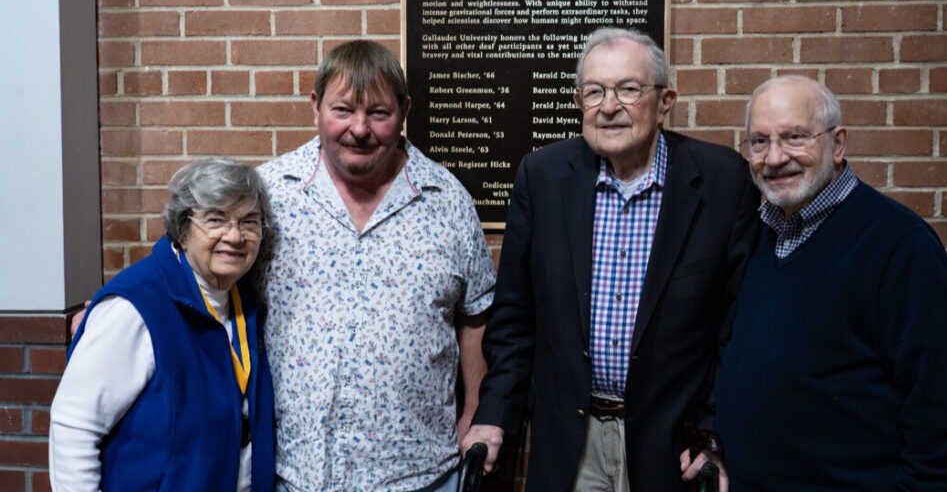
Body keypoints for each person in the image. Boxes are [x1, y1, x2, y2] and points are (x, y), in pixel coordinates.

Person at [463, 27, 761, 491]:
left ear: (665, 102)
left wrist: (713, 433)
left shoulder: (724, 181)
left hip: (673, 446)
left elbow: (736, 327)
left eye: (628, 89)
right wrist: (494, 413)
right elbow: (515, 319)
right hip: (570, 444)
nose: (608, 106)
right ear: (579, 101)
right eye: (595, 91)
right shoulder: (541, 178)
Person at [716, 75, 947, 490]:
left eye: (795, 137)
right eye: (759, 142)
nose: (775, 157)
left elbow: (942, 402)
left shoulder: (899, 245)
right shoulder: (761, 233)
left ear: (838, 143)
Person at [256, 40, 496, 491]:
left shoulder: (447, 201)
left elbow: (475, 315)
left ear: (404, 110)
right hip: (297, 474)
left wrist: (474, 411)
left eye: (379, 113)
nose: (360, 129)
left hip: (423, 475)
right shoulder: (268, 195)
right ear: (315, 106)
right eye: (343, 110)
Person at [49, 157, 275, 492]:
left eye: (249, 222)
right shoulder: (135, 306)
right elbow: (74, 425)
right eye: (215, 220)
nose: (235, 235)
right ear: (182, 231)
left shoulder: (244, 301)